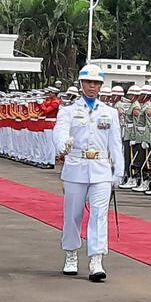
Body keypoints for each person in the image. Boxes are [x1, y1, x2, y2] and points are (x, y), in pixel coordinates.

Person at [53, 64, 125, 282]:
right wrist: (62, 145)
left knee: (99, 216)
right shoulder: (68, 110)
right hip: (76, 166)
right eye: (88, 82)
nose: (92, 86)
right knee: (73, 215)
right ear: (81, 84)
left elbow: (116, 144)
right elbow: (59, 131)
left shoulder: (109, 113)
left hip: (101, 169)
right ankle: (71, 254)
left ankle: (96, 259)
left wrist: (118, 172)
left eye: (96, 83)